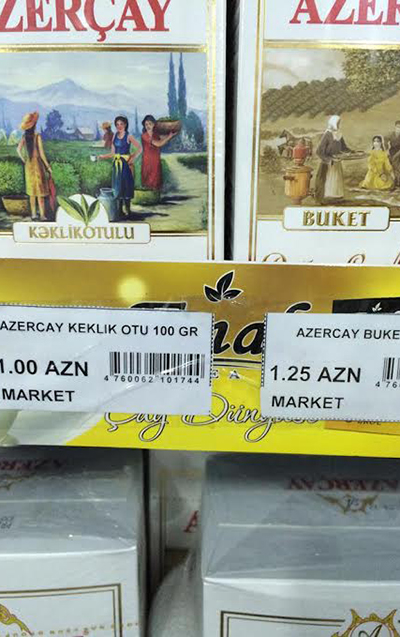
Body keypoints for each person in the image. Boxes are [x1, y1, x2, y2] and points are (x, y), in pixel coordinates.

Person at [99, 115, 142, 217]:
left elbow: (140, 148)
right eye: (117, 124)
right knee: (117, 186)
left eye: (121, 124)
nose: (119, 126)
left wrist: (132, 158)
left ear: (125, 125)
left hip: (126, 165)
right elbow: (113, 153)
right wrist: (102, 156)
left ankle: (128, 210)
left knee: (126, 185)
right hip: (116, 165)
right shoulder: (114, 136)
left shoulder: (128, 136)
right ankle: (119, 210)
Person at [17, 111, 51, 220]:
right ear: (34, 125)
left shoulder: (24, 137)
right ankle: (42, 215)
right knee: (40, 191)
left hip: (29, 166)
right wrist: (48, 167)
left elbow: (18, 150)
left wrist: (24, 160)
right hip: (38, 166)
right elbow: (42, 154)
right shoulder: (37, 136)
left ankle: (33, 214)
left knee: (32, 192)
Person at [315, 115, 350, 203]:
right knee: (328, 180)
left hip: (337, 162)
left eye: (339, 123)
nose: (338, 125)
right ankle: (327, 198)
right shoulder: (327, 134)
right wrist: (329, 160)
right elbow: (319, 151)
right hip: (328, 164)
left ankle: (337, 197)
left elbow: (344, 148)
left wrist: (351, 152)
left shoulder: (339, 134)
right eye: (337, 123)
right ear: (333, 123)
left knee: (336, 180)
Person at [141, 115, 176, 191]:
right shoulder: (144, 136)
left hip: (156, 159)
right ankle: (149, 193)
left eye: (150, 124)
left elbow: (163, 138)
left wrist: (169, 134)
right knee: (148, 178)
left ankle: (156, 193)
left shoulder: (156, 135)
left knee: (156, 178)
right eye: (146, 124)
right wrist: (169, 137)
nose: (148, 126)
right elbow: (159, 144)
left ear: (154, 124)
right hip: (148, 160)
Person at [386, 120, 400, 187]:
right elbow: (385, 141)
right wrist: (387, 150)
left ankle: (398, 181)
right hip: (392, 151)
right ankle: (394, 179)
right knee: (390, 164)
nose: (399, 129)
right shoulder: (391, 134)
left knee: (396, 162)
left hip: (399, 152)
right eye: (397, 127)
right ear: (395, 127)